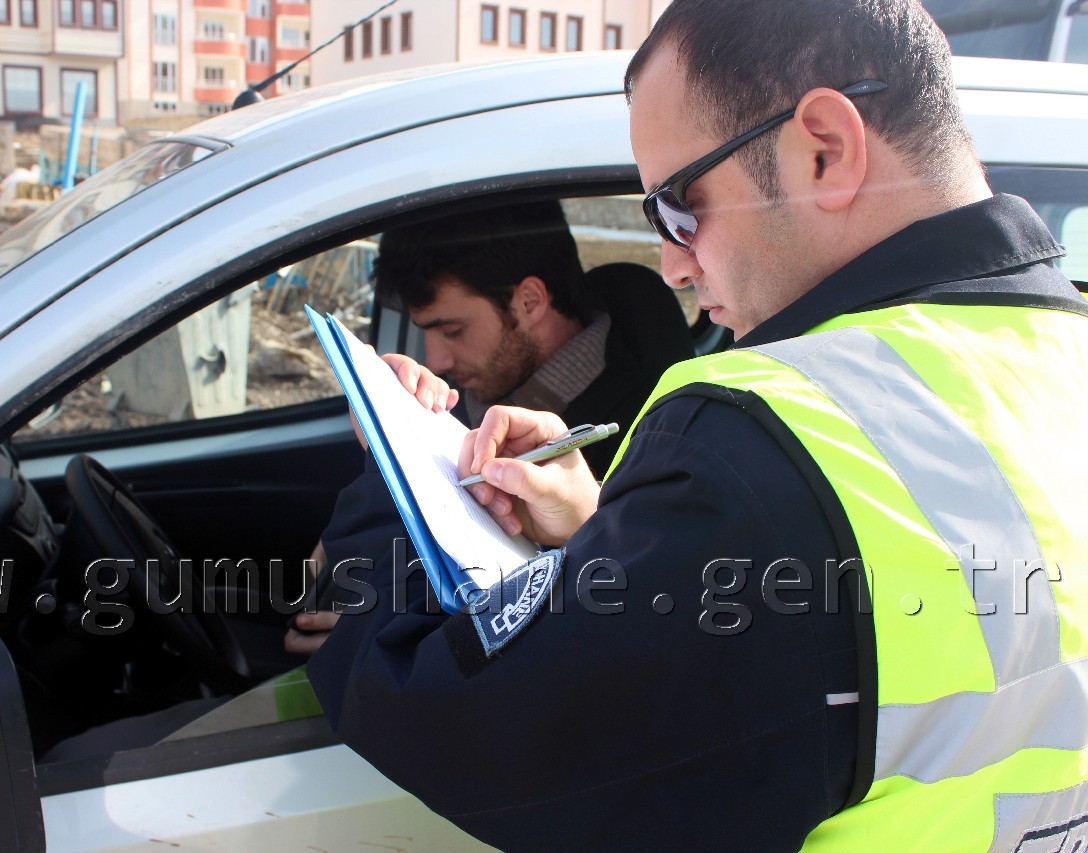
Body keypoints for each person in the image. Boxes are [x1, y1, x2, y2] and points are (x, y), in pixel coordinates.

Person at [306, 1, 1088, 850]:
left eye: (681, 206)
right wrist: (601, 533)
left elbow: (471, 729)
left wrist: (390, 486)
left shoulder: (766, 445)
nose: (674, 265)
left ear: (824, 148)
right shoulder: (1062, 355)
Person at [284, 200, 693, 654]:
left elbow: (562, 633)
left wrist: (378, 633)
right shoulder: (472, 400)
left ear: (529, 301)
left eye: (453, 330)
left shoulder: (637, 447)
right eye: (426, 332)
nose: (435, 358)